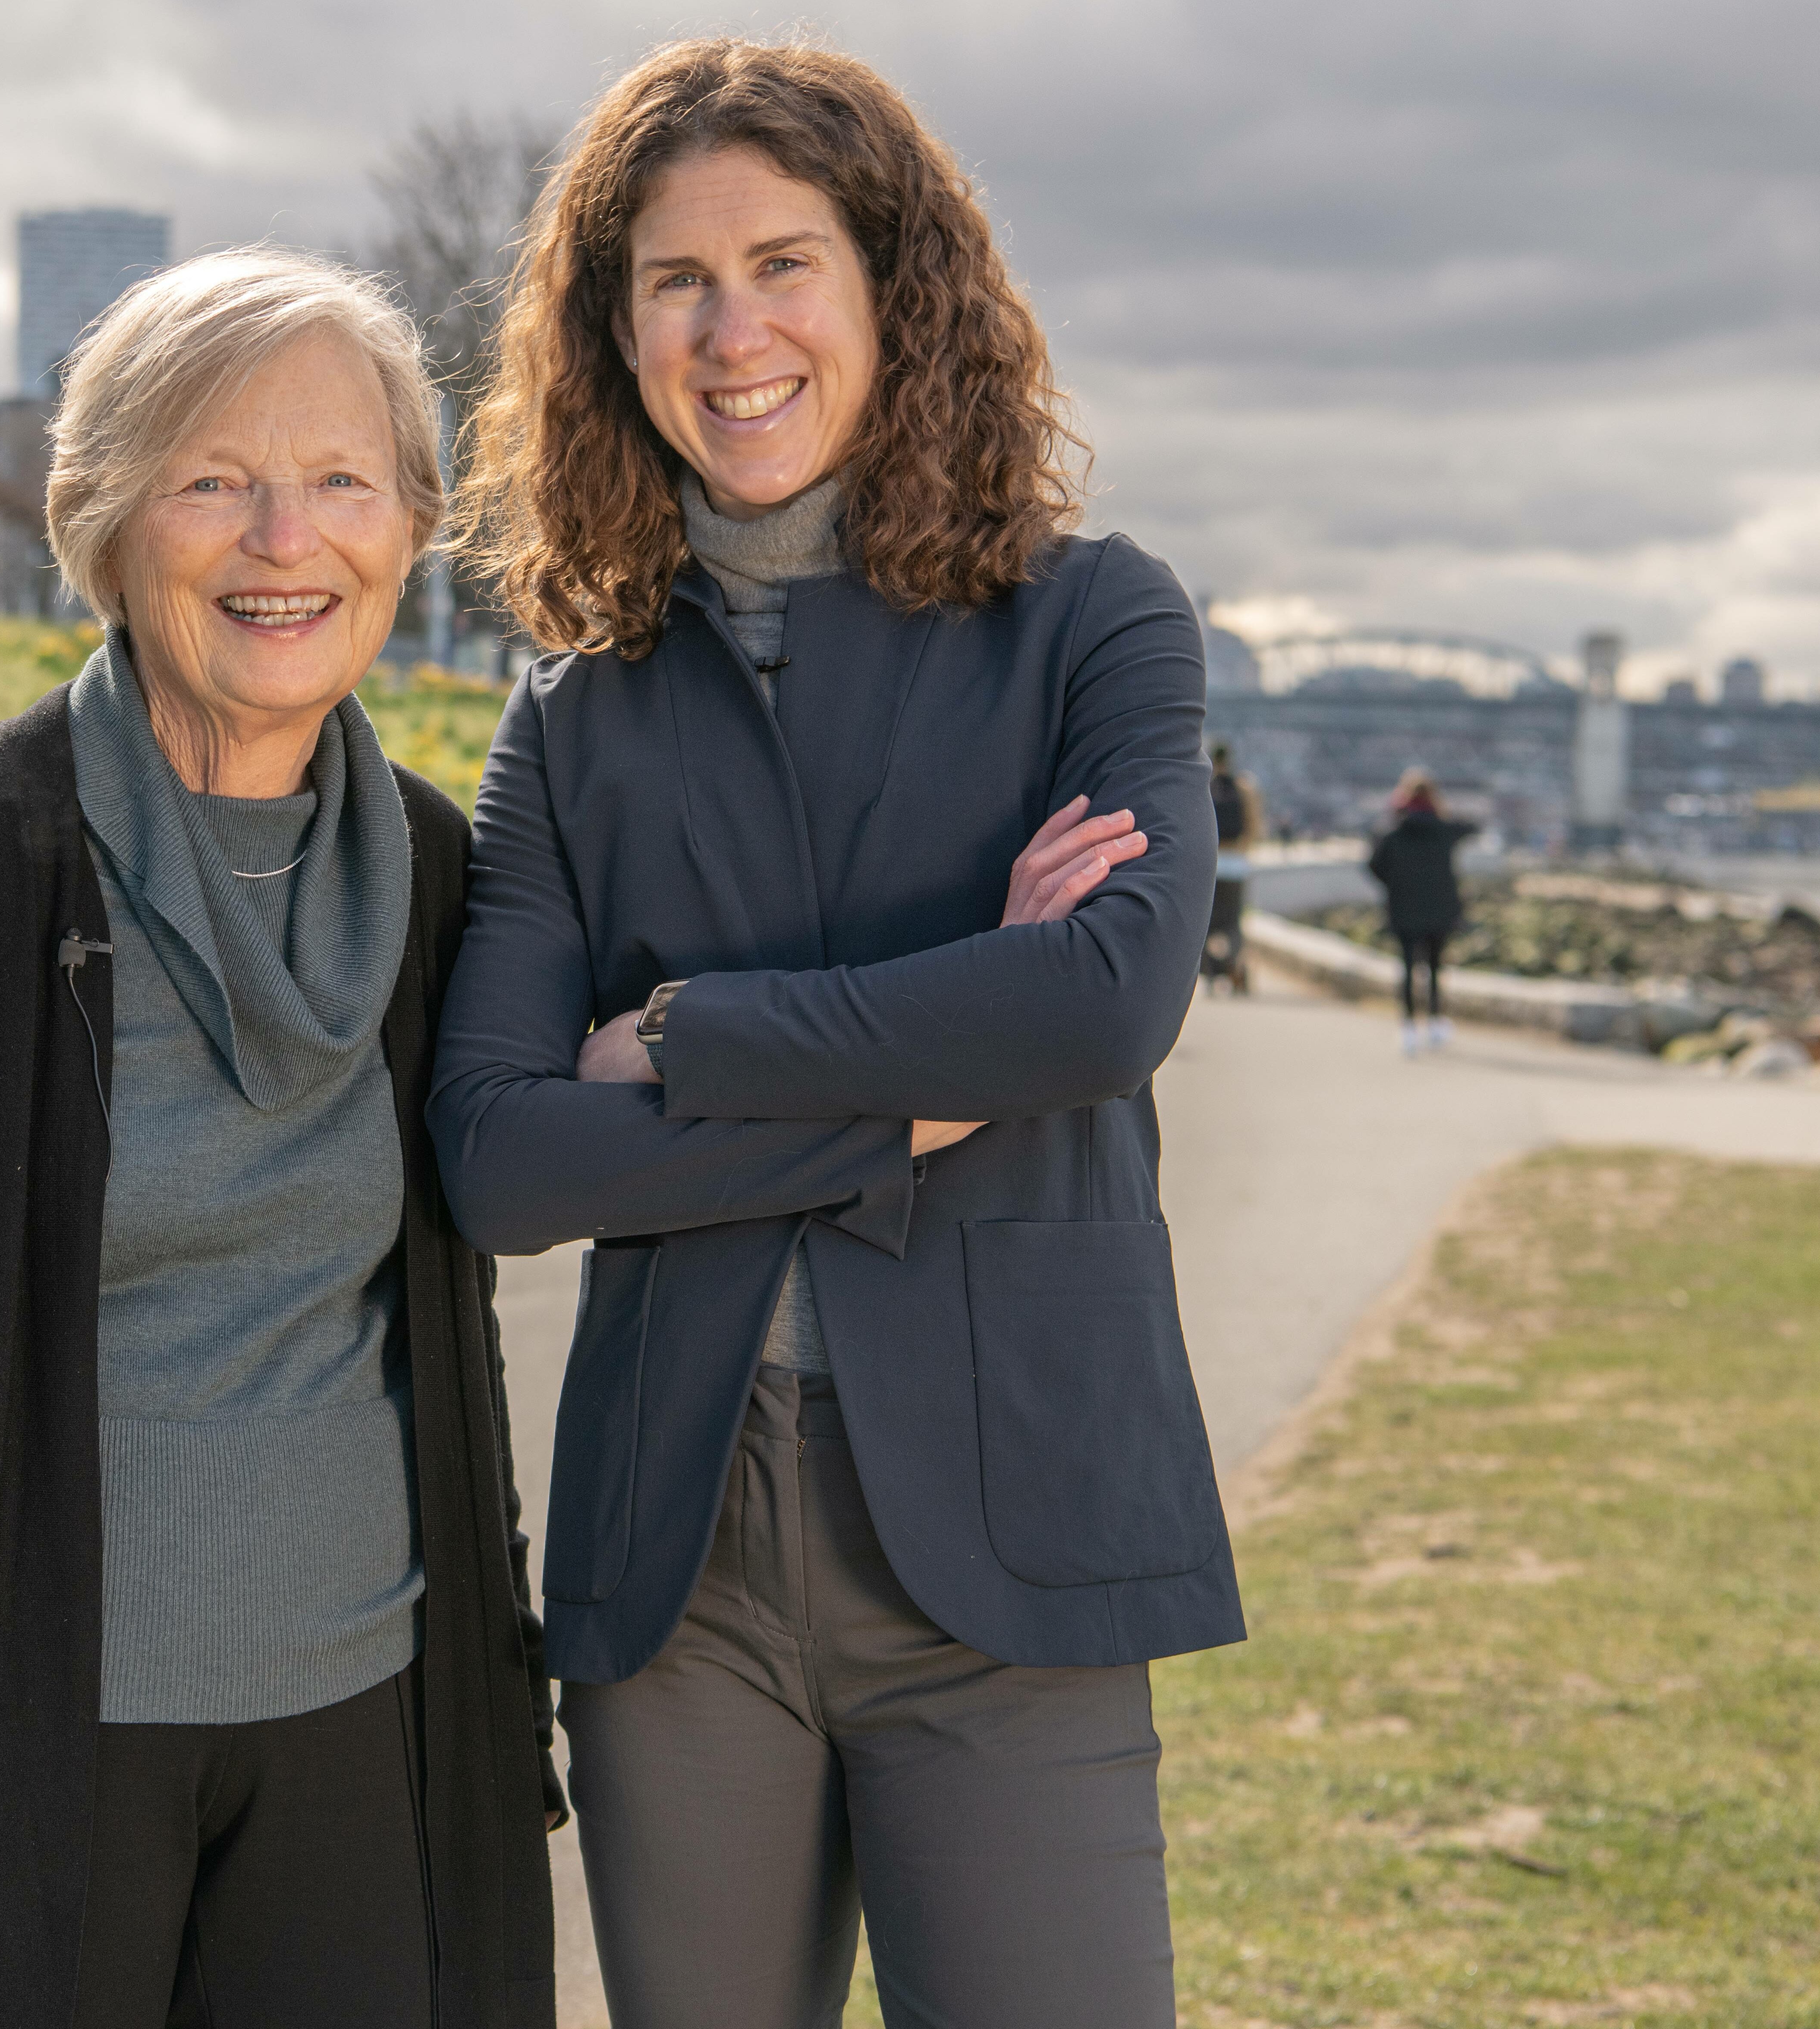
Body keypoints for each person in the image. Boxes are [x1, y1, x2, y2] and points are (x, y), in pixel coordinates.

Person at [436, 38, 1242, 2029]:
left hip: (1014, 1514)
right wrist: (909, 1104)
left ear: (891, 283)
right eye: (674, 282)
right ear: (610, 334)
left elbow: (1106, 995)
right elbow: (503, 1155)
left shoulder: (1095, 619)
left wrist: (691, 1031)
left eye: (784, 263)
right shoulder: (573, 709)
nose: (735, 331)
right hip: (675, 1558)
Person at [0, 249, 558, 2029]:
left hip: (364, 1740)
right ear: (101, 518)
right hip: (11, 1749)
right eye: (210, 479)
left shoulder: (434, 868)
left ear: (409, 526)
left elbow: (459, 1289)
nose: (282, 537)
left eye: (339, 479)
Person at [1366, 767, 1477, 1055]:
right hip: (1440, 909)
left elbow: (1374, 866)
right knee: (1436, 967)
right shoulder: (1444, 831)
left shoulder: (1392, 833)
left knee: (1407, 967)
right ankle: (1436, 1022)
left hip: (1404, 908)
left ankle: (1409, 1029)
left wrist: (1397, 882)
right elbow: (1472, 827)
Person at [1203, 741, 1261, 994]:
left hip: (1210, 867)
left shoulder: (1204, 786)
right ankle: (1233, 969)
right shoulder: (1244, 788)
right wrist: (1240, 849)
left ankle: (1211, 974)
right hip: (1236, 867)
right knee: (1233, 924)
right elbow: (1255, 826)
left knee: (1206, 924)